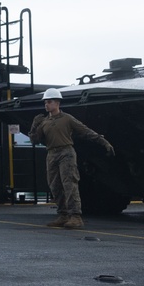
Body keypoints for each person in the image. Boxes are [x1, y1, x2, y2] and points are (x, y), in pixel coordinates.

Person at [28, 88, 115, 229]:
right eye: (45, 102)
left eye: (49, 102)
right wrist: (34, 125)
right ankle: (63, 214)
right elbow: (34, 140)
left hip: (66, 152)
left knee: (69, 184)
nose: (46, 104)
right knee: (55, 186)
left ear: (57, 103)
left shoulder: (67, 119)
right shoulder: (44, 122)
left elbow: (85, 130)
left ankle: (75, 216)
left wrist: (102, 141)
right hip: (51, 154)